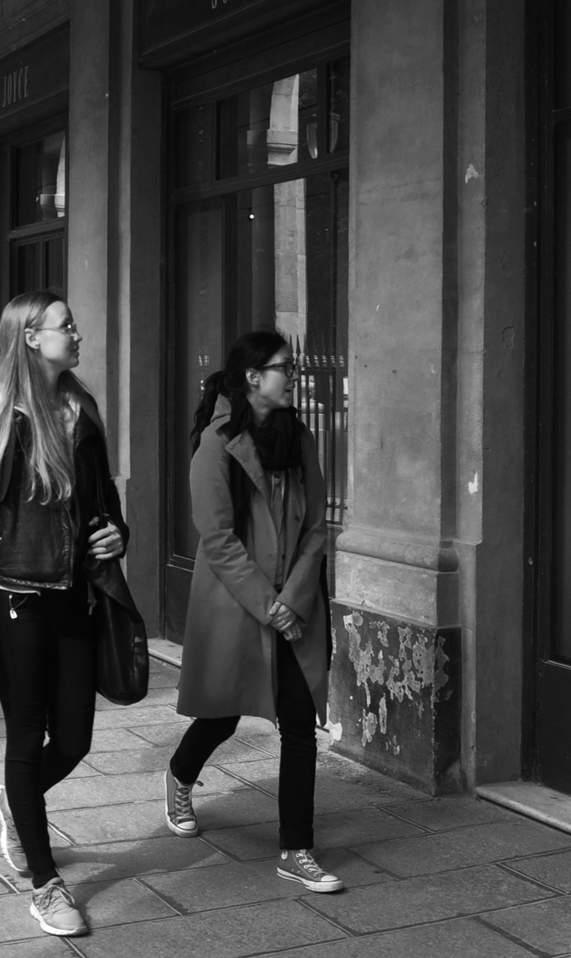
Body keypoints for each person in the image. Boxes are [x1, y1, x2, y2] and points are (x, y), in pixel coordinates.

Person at [0, 291, 126, 937]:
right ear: (29, 337)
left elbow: (103, 504)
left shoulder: (82, 409)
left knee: (74, 739)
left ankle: (15, 801)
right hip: (14, 598)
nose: (76, 333)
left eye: (73, 324)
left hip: (74, 595)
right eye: (64, 325)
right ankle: (46, 886)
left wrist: (117, 534)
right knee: (26, 735)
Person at [164, 330, 342, 893]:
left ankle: (296, 848)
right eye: (285, 367)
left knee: (299, 723)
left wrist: (294, 599)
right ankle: (179, 775)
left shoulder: (299, 436)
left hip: (296, 601)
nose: (294, 375)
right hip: (238, 605)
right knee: (222, 714)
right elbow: (217, 539)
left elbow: (317, 526)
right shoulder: (216, 444)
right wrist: (270, 606)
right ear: (253, 377)